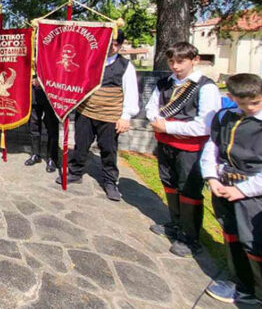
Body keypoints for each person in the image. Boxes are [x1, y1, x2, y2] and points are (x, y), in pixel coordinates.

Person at [146, 41, 221, 257]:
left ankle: (190, 237)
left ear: (194, 60)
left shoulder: (205, 87)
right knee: (169, 184)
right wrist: (156, 120)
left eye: (181, 61)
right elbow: (152, 107)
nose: (175, 66)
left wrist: (167, 126)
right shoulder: (165, 83)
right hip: (166, 144)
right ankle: (176, 223)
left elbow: (205, 124)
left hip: (190, 149)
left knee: (188, 189)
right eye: (172, 61)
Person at [200, 73, 262, 305]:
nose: (250, 108)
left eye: (255, 102)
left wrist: (243, 190)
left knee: (254, 242)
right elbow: (212, 147)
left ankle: (257, 292)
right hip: (224, 184)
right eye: (243, 103)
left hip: (254, 192)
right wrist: (212, 177)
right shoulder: (225, 116)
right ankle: (240, 282)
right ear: (231, 97)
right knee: (231, 234)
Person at [58, 30, 140, 202]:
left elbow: (131, 92)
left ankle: (110, 181)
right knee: (80, 144)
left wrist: (126, 116)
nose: (112, 46)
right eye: (109, 42)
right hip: (86, 111)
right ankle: (75, 172)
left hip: (110, 115)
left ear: (120, 45)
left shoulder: (125, 66)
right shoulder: (90, 60)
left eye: (116, 43)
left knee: (108, 149)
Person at [25, 75, 59, 173]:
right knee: (33, 125)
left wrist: (43, 80)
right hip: (34, 92)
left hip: (51, 92)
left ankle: (52, 158)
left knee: (52, 127)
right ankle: (35, 154)